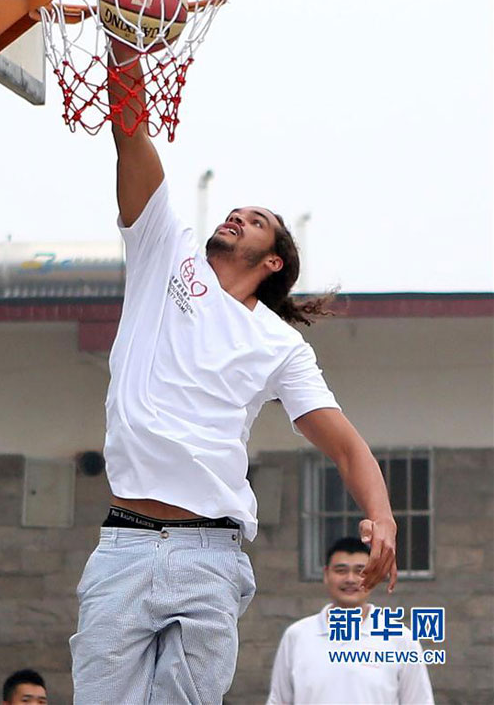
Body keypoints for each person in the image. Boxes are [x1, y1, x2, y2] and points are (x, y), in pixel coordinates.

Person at [69, 41, 398, 705]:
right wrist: (122, 46)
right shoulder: (165, 252)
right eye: (234, 211)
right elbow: (130, 137)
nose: (236, 215)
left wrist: (382, 517)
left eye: (255, 220)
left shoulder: (278, 345)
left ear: (273, 260)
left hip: (207, 555)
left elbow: (343, 444)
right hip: (124, 546)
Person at [267, 537, 434, 704]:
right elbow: (278, 700)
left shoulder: (400, 639)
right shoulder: (297, 636)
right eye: (341, 570)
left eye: (361, 571)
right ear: (326, 574)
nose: (350, 579)